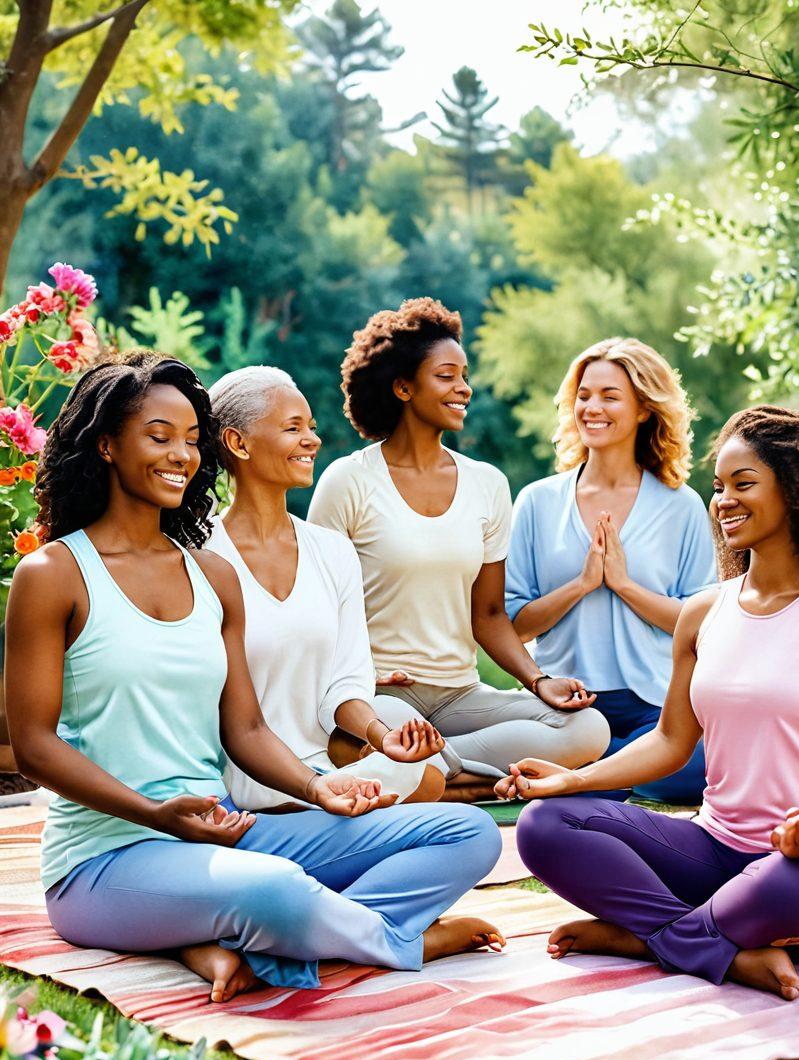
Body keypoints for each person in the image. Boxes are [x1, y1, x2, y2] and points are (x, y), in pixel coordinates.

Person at [6, 351, 504, 1006]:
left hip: (225, 830)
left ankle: (251, 938)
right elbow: (34, 747)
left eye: (191, 440)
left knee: (466, 832)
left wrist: (320, 789)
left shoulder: (212, 575)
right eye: (159, 437)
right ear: (105, 445)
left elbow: (244, 728)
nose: (181, 456)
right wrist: (156, 814)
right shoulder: (52, 575)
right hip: (105, 857)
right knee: (275, 889)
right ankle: (398, 939)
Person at [497, 406, 799, 1001]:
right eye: (718, 487)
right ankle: (710, 942)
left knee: (791, 884)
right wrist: (572, 780)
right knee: (545, 824)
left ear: (798, 491)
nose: (723, 501)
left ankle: (647, 937)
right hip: (714, 850)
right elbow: (669, 741)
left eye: (743, 484)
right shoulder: (704, 611)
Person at [308, 298, 610, 797]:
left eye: (465, 376)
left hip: (461, 695)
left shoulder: (487, 484)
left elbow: (488, 615)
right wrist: (363, 674)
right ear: (403, 387)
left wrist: (538, 681)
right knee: (394, 735)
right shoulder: (349, 482)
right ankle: (463, 777)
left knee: (587, 728)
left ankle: (433, 774)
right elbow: (317, 609)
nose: (464, 388)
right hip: (376, 694)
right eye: (446, 376)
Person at [205, 364, 455, 807]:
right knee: (438, 812)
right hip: (237, 781)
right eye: (293, 428)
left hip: (322, 775)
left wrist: (382, 736)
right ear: (238, 443)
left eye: (312, 427)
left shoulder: (333, 551)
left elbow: (345, 684)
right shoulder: (198, 554)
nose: (312, 440)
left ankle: (339, 812)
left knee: (428, 777)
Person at [505, 338, 715, 803]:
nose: (592, 408)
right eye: (583, 395)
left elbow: (704, 623)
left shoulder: (681, 506)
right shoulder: (537, 501)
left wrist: (623, 585)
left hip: (655, 708)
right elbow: (513, 625)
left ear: (644, 409)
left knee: (699, 770)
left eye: (609, 396)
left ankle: (582, 774)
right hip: (563, 705)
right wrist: (581, 585)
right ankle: (609, 770)